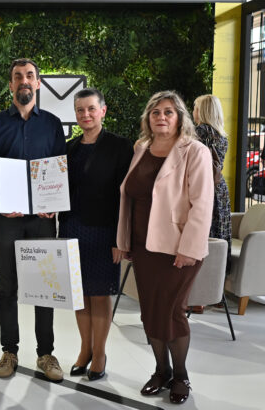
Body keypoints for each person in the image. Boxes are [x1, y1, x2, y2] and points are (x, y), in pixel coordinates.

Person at [116, 91, 213, 404]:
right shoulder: (141, 148)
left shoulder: (194, 151)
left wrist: (189, 248)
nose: (161, 117)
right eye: (155, 112)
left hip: (178, 248)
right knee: (150, 311)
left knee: (172, 312)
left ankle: (181, 376)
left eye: (168, 112)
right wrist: (124, 241)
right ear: (148, 118)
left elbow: (202, 204)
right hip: (144, 247)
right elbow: (131, 197)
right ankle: (161, 371)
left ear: (180, 118)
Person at [0, 58, 66, 382]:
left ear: (38, 83)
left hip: (42, 219)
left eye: (30, 75)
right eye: (18, 76)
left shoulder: (53, 124)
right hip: (7, 219)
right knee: (8, 287)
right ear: (11, 84)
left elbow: (59, 167)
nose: (24, 81)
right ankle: (9, 351)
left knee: (44, 286)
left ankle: (46, 353)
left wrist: (53, 204)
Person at [58, 88, 133, 381]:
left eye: (91, 109)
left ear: (103, 110)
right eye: (80, 110)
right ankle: (84, 350)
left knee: (100, 295)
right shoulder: (70, 148)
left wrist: (119, 240)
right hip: (71, 229)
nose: (85, 115)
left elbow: (125, 198)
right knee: (79, 295)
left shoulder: (120, 146)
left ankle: (99, 354)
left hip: (103, 233)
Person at [193, 94, 232, 271]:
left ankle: (201, 278)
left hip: (203, 187)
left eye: (195, 108)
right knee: (218, 232)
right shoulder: (222, 135)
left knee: (203, 232)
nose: (193, 112)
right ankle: (218, 277)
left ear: (202, 111)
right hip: (220, 188)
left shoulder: (199, 132)